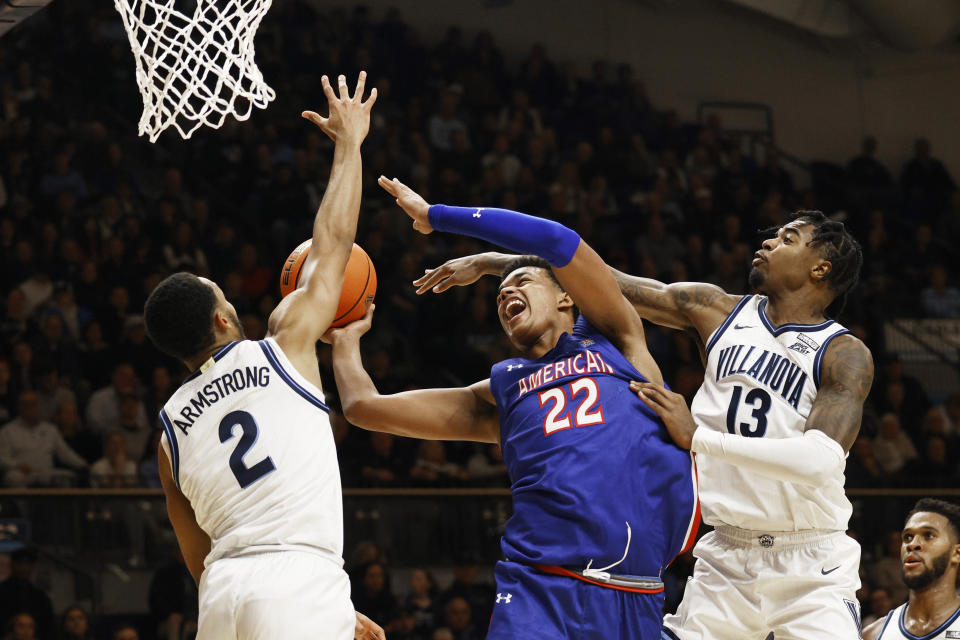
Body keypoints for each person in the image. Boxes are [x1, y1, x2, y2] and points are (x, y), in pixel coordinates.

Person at [417, 209, 872, 639]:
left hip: (810, 562)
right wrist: (492, 263)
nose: (770, 241)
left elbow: (820, 461)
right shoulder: (715, 309)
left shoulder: (843, 353)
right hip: (726, 557)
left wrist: (701, 439)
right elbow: (602, 281)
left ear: (821, 269)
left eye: (789, 239)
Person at [328, 178, 699, 639]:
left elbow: (555, 241)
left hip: (636, 591)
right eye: (499, 292)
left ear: (567, 297)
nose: (504, 295)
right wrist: (344, 341)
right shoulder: (506, 388)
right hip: (536, 585)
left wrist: (437, 217)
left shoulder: (617, 339)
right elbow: (366, 408)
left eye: (521, 282)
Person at [141, 72, 383, 640]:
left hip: (222, 593)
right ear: (224, 319)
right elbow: (333, 244)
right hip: (298, 577)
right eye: (225, 296)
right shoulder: (284, 346)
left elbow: (195, 551)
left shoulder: (168, 431)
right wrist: (349, 145)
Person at [863, 499, 960, 639]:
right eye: (908, 537)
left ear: (956, 553)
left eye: (928, 535)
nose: (912, 544)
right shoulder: (873, 634)